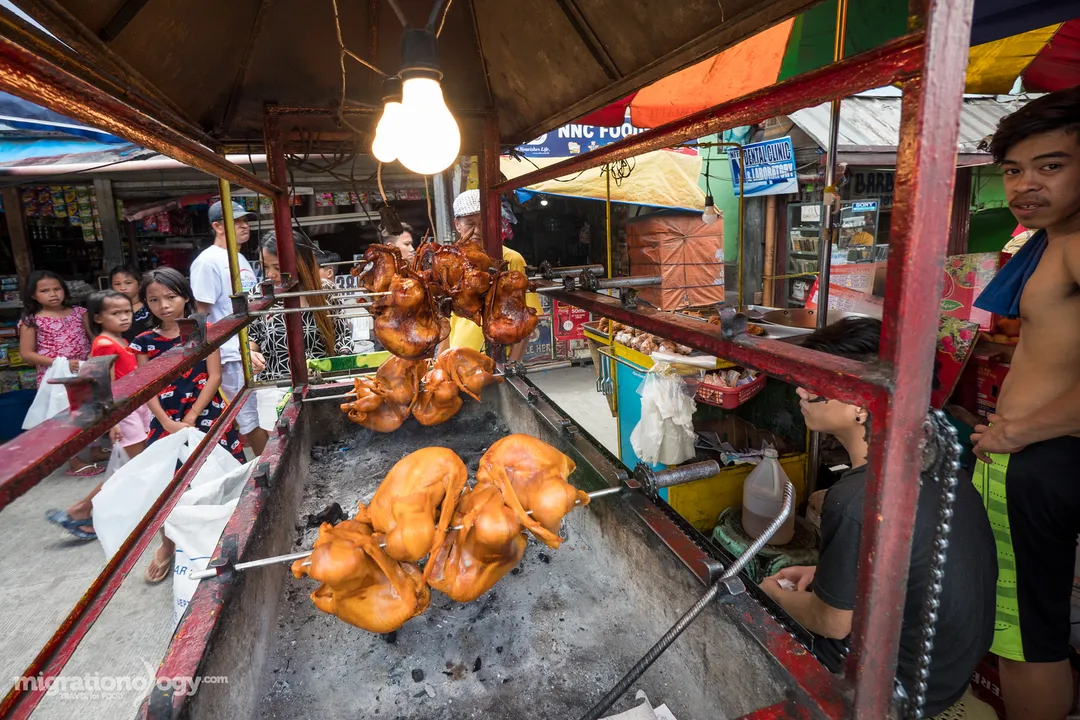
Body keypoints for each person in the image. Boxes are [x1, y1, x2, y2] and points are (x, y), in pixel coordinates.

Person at [759, 318, 997, 719]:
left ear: (859, 404)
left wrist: (776, 597)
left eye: (814, 383)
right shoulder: (935, 461)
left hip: (897, 692)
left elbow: (831, 623)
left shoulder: (858, 498)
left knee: (761, 623)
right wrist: (824, 573)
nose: (800, 390)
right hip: (947, 672)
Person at [967, 86, 1080, 720]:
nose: (1024, 184)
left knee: (1027, 639)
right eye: (1013, 170)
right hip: (1043, 455)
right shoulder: (1053, 240)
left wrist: (1018, 431)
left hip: (1040, 460)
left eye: (1051, 166)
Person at [131, 268, 246, 583]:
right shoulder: (143, 342)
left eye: (170, 297)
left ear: (185, 296)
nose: (163, 305)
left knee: (226, 473)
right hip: (166, 418)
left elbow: (215, 376)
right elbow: (146, 387)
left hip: (206, 412)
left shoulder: (204, 330)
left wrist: (193, 415)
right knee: (166, 485)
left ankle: (236, 530)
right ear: (145, 303)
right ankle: (167, 545)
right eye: (153, 300)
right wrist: (167, 422)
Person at [45, 290, 150, 540]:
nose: (124, 317)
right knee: (131, 468)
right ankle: (82, 509)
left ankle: (91, 510)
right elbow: (105, 385)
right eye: (116, 313)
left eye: (127, 312)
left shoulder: (122, 341)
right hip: (124, 411)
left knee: (131, 467)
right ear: (98, 317)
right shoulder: (104, 344)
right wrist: (111, 422)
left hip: (133, 408)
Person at [189, 200, 267, 456]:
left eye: (246, 221)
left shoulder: (239, 257)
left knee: (256, 415)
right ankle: (269, 465)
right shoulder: (208, 262)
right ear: (217, 227)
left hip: (247, 348)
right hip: (230, 354)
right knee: (249, 419)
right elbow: (202, 314)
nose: (245, 226)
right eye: (237, 222)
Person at [18, 270, 103, 476]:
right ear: (33, 295)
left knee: (93, 411)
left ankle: (96, 450)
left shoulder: (79, 313)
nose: (53, 294)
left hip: (84, 370)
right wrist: (60, 362)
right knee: (64, 417)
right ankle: (73, 462)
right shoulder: (31, 320)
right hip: (55, 376)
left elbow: (94, 339)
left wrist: (93, 357)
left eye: (57, 289)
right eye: (45, 291)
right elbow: (26, 354)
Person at [445, 190, 541, 361]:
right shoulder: (452, 263)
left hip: (496, 360)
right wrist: (441, 361)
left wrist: (513, 364)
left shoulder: (511, 259)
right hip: (457, 357)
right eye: (470, 224)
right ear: (457, 225)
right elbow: (448, 318)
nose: (477, 231)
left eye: (483, 223)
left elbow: (526, 320)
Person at [249, 232, 353, 382]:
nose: (270, 274)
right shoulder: (259, 294)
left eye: (277, 268)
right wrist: (251, 355)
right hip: (275, 387)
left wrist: (342, 361)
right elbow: (252, 337)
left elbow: (343, 337)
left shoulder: (325, 292)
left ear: (300, 263)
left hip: (321, 384)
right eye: (265, 267)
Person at [109, 265, 155, 341]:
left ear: (140, 284)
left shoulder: (150, 307)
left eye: (128, 283)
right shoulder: (108, 310)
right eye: (117, 284)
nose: (122, 288)